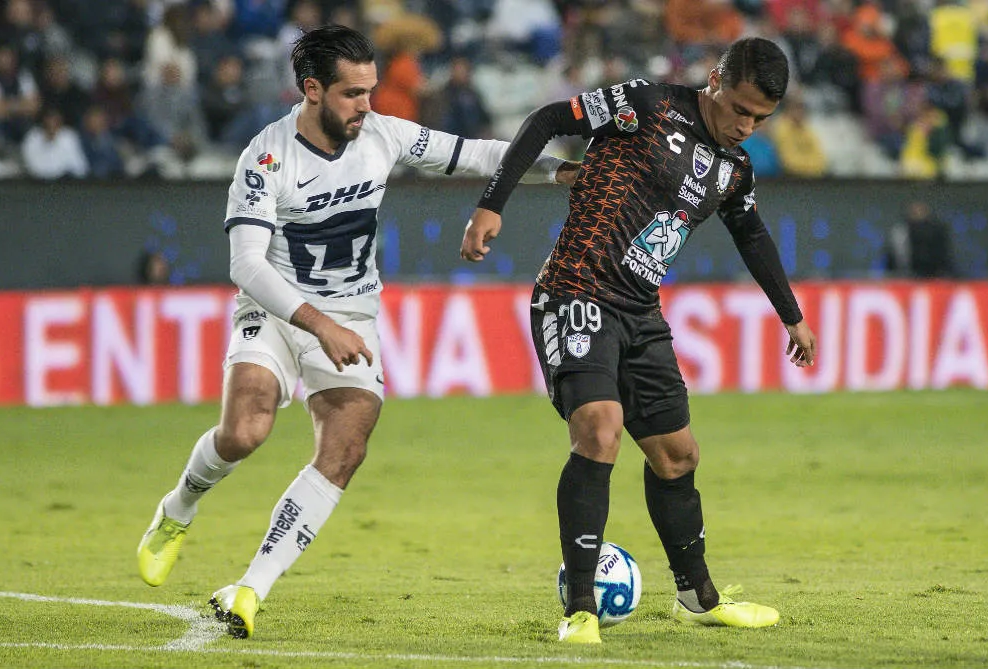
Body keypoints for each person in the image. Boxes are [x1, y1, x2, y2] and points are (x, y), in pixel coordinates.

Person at [136, 24, 576, 640]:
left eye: (370, 91)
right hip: (277, 309)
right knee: (244, 432)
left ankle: (248, 590)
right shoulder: (265, 158)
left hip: (353, 313)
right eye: (352, 94)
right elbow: (246, 265)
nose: (366, 106)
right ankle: (177, 509)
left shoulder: (382, 135)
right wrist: (318, 324)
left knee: (345, 446)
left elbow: (475, 153)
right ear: (312, 90)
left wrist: (556, 171)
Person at [460, 37, 817, 644]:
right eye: (739, 109)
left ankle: (697, 597)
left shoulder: (735, 169)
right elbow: (548, 119)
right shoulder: (646, 106)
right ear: (715, 81)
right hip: (575, 289)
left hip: (640, 312)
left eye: (760, 118)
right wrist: (491, 205)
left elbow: (751, 235)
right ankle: (579, 611)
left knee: (678, 455)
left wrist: (792, 315)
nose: (746, 126)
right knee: (599, 427)